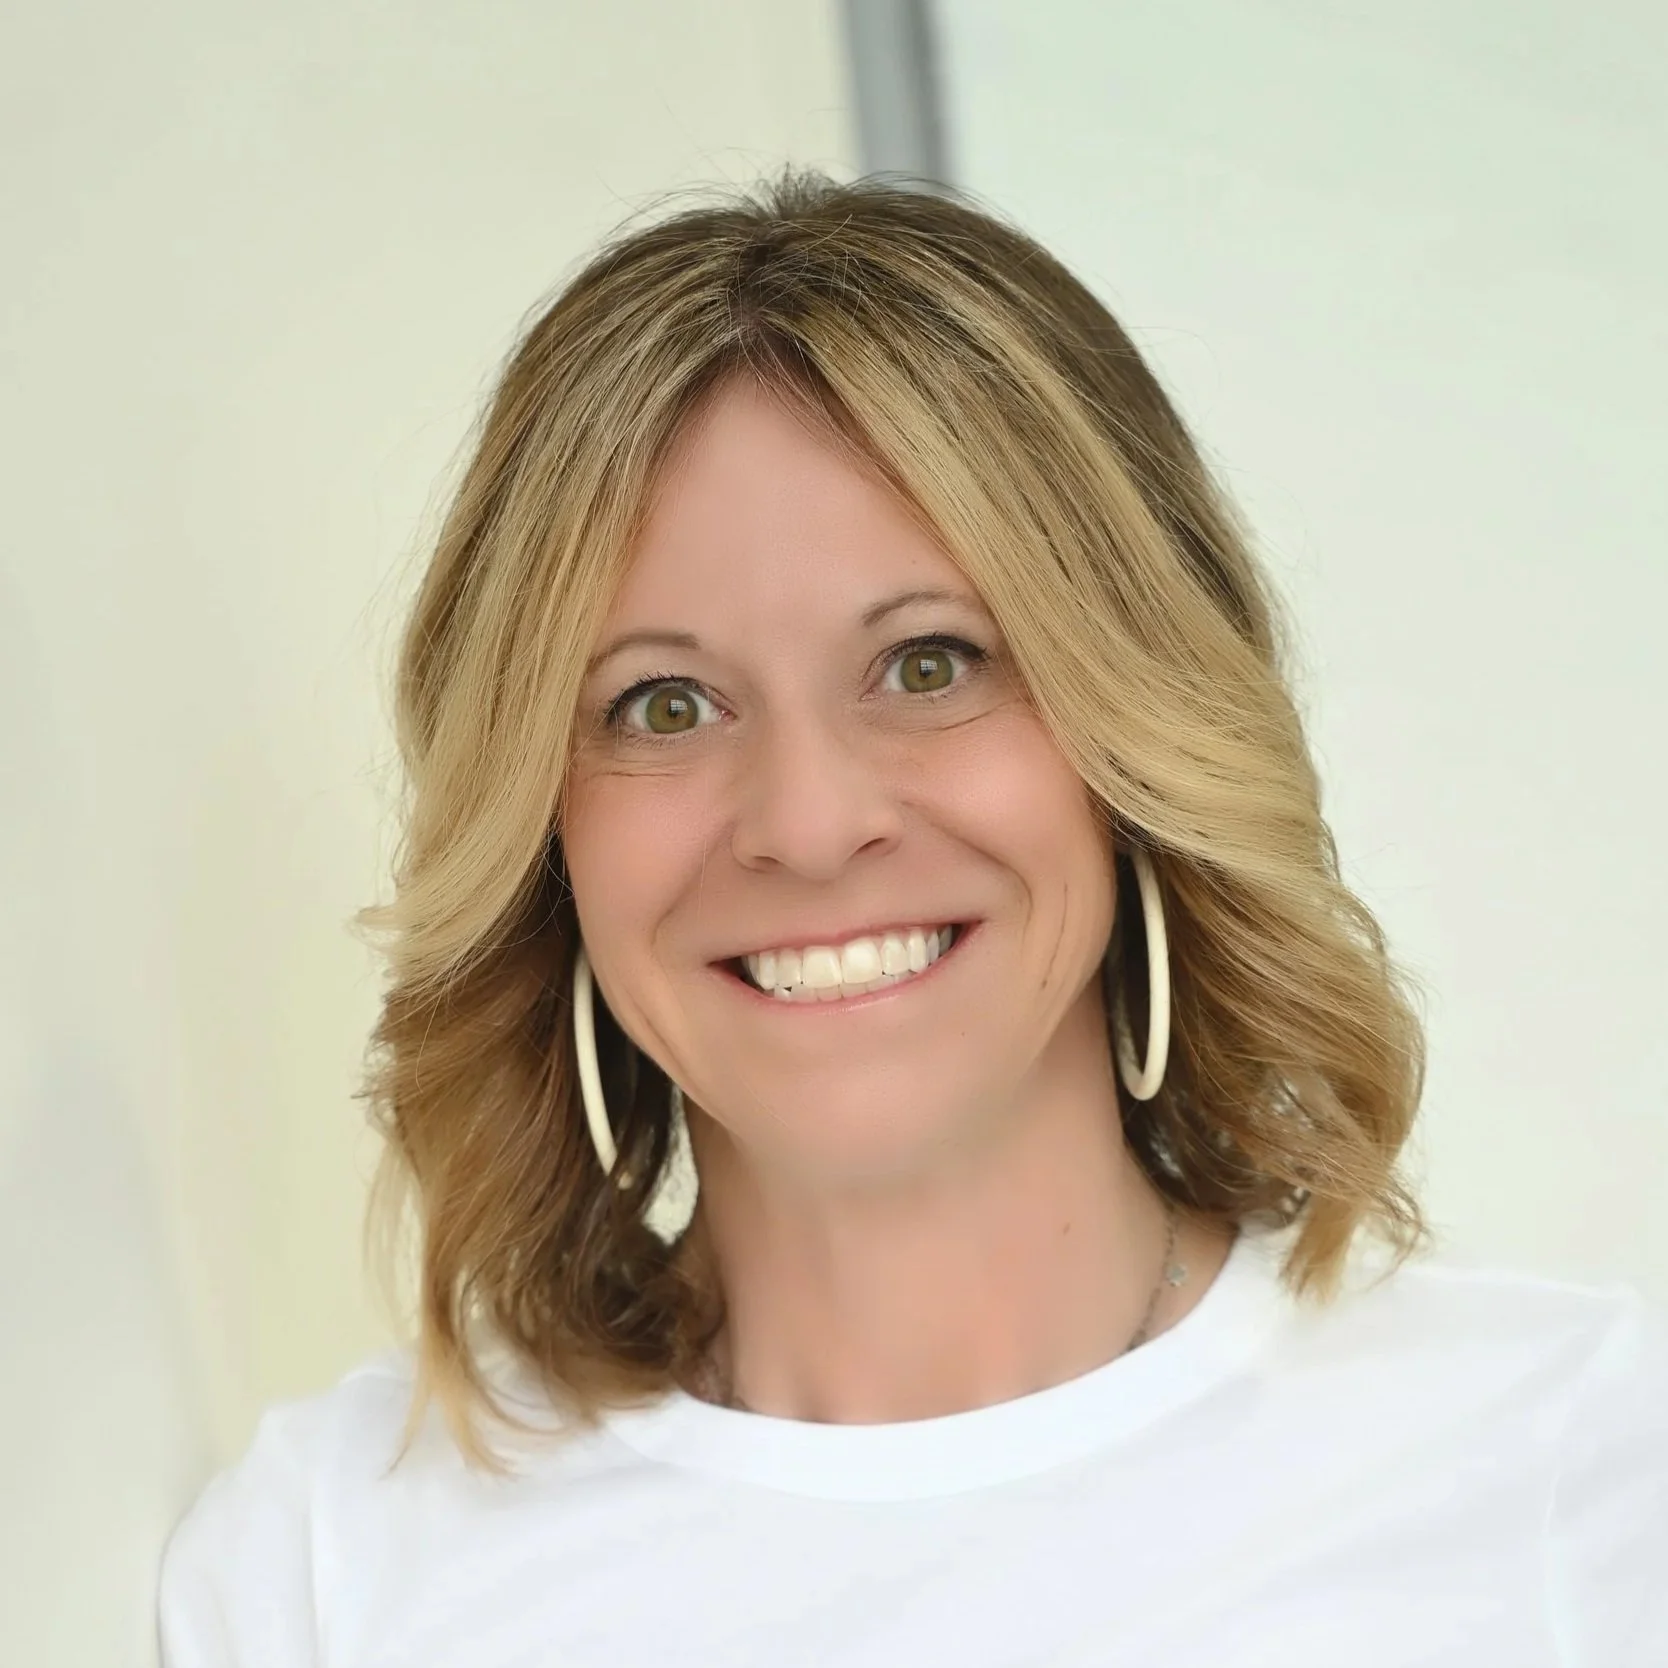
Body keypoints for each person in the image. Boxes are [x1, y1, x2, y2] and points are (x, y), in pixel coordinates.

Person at [156, 169, 1667, 1666]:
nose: (811, 825)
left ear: (1136, 734)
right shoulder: (326, 1569)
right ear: (542, 833)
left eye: (929, 665)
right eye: (665, 704)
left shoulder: (1580, 1480)